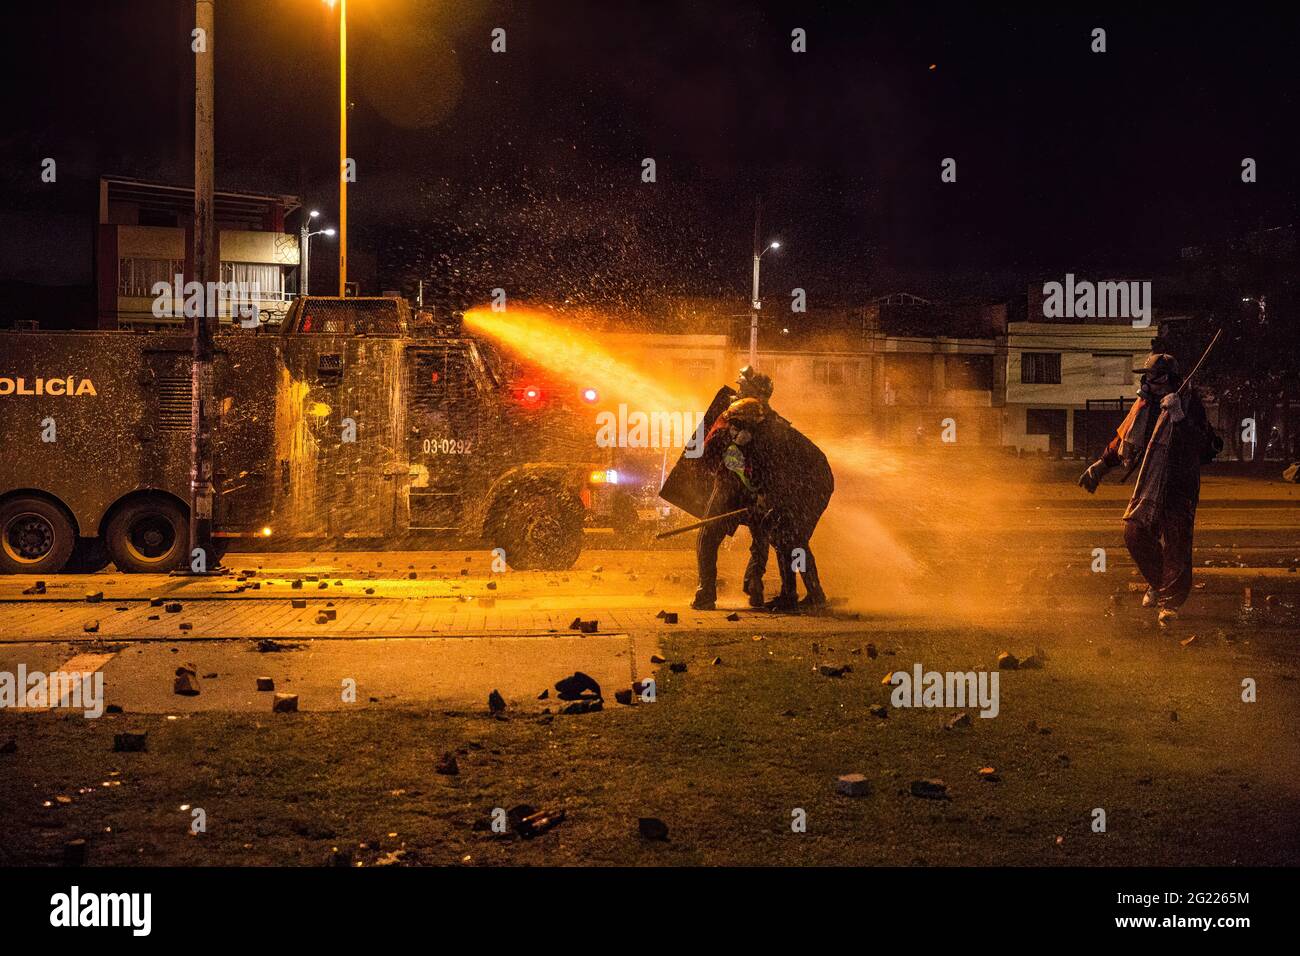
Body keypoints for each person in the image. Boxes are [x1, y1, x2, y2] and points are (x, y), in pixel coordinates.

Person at [1078, 353, 1222, 624]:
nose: (1147, 381)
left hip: (1180, 484)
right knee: (1134, 533)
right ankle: (1159, 583)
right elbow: (1124, 437)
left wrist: (1179, 417)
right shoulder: (1143, 404)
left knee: (1177, 545)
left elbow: (1201, 447)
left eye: (1152, 377)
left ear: (1166, 378)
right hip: (1150, 485)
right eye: (1145, 376)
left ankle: (1171, 603)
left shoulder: (1189, 406)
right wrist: (1100, 466)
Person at [691, 397, 770, 611]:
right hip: (742, 495)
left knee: (708, 540)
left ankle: (710, 591)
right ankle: (746, 583)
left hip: (734, 495)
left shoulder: (726, 438)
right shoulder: (760, 441)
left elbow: (705, 462)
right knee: (757, 540)